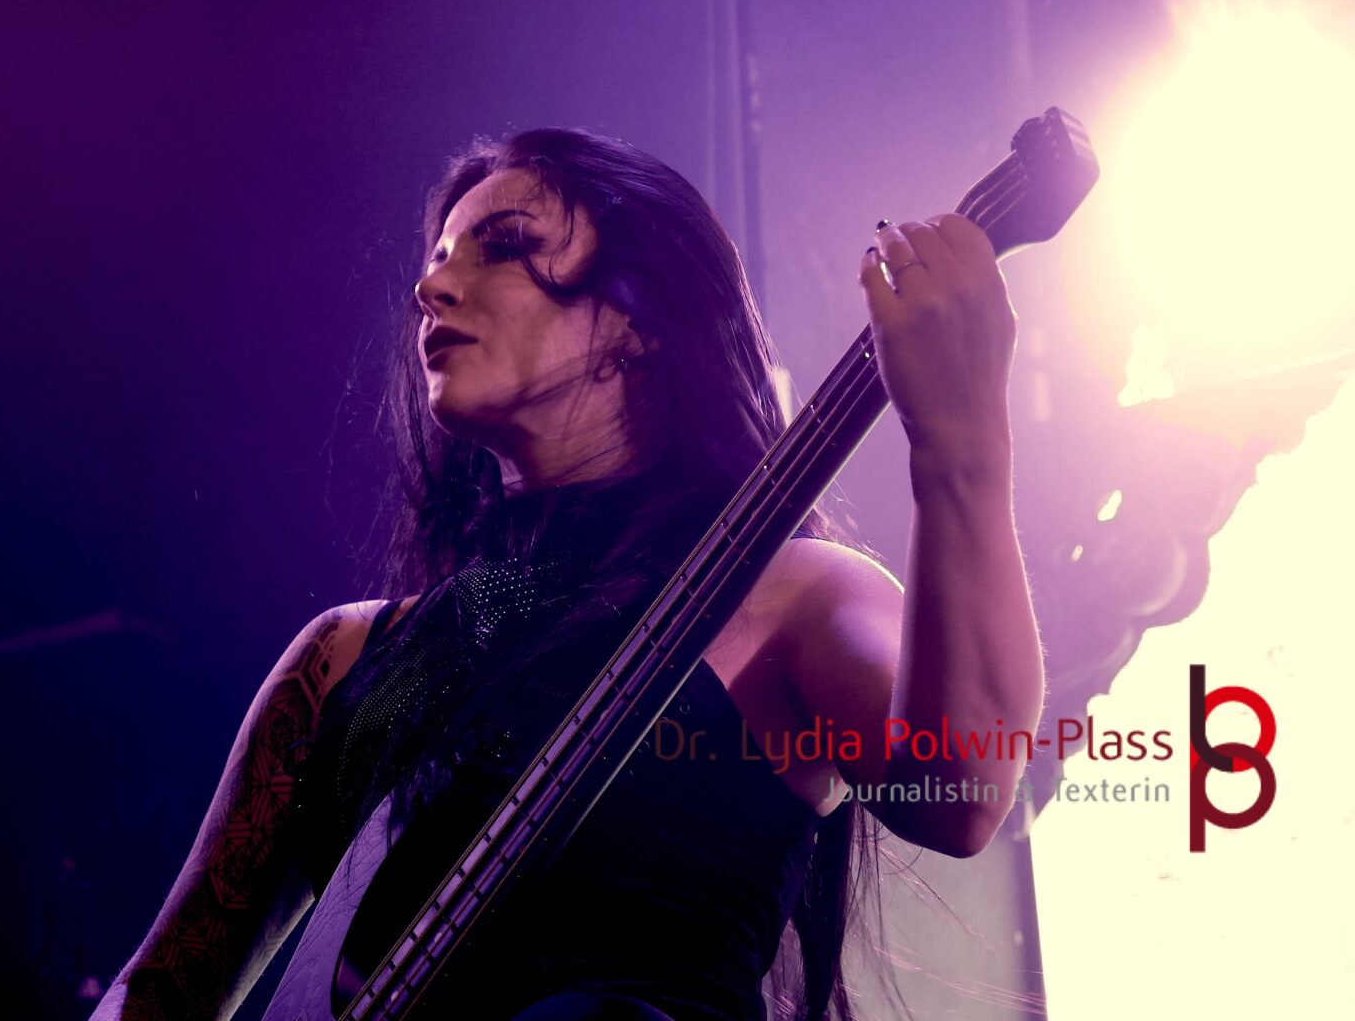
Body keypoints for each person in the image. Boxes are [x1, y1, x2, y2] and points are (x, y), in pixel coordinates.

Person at [94, 129, 1043, 1021]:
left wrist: (959, 447)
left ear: (639, 319)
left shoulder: (790, 596)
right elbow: (161, 992)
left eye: (502, 247)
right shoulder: (346, 659)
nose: (432, 288)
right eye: (436, 260)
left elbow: (958, 792)